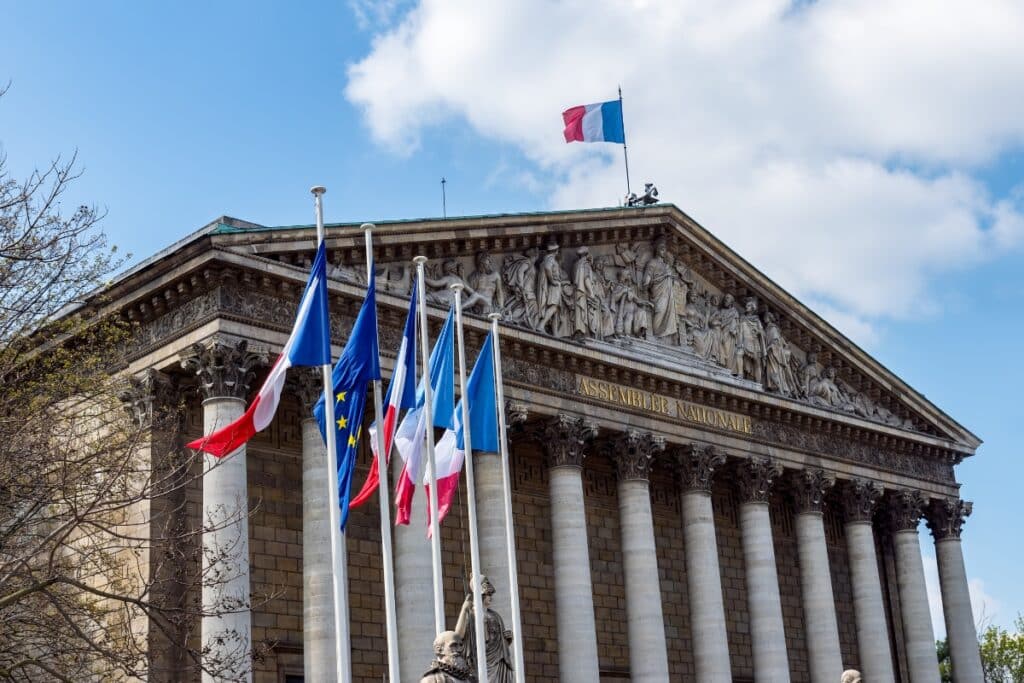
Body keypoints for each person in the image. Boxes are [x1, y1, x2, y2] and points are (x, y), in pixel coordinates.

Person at [456, 576, 514, 683]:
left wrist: (506, 641)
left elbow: (497, 642)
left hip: (497, 662)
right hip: (479, 661)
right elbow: (458, 636)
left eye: (491, 594)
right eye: (488, 594)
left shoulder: (496, 616)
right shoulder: (470, 614)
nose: (490, 597)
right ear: (481, 594)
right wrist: (464, 610)